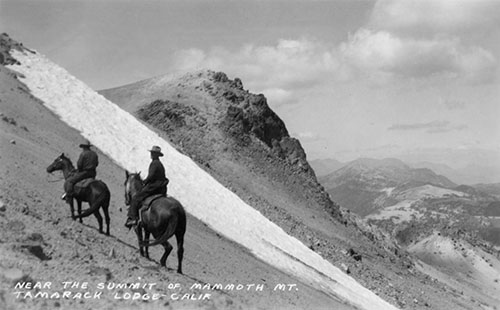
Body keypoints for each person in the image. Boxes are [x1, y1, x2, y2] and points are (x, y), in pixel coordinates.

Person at [125, 145, 169, 228]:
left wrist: (145, 182)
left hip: (154, 187)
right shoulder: (160, 164)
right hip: (161, 188)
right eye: (152, 153)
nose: (151, 155)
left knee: (136, 198)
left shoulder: (154, 163)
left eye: (153, 153)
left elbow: (151, 176)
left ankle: (132, 218)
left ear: (156, 155)